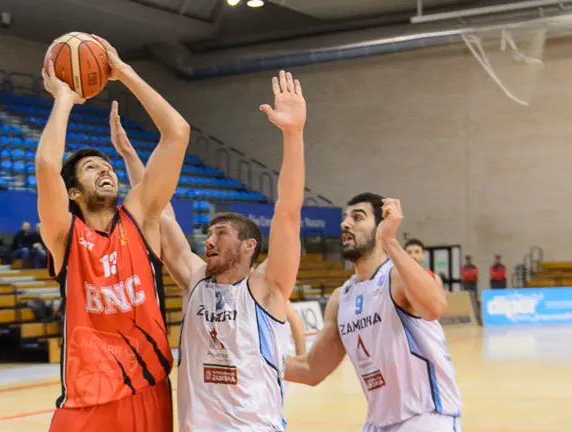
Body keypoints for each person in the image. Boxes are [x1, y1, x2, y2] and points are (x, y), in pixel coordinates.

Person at [116, 70, 306, 429]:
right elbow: (156, 211)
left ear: (249, 246)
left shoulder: (266, 287)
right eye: (209, 233)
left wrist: (293, 134)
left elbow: (288, 212)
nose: (209, 240)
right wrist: (128, 155)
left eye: (221, 233)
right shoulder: (196, 278)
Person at [37, 35, 190, 432]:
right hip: (85, 401)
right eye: (91, 168)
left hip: (148, 389)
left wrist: (125, 72)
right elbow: (46, 166)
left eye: (107, 166)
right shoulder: (64, 235)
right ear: (73, 192)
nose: (105, 170)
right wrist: (64, 98)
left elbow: (177, 133)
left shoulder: (140, 220)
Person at [285, 193, 462, 432]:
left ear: (381, 227)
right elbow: (311, 369)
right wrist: (252, 359)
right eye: (345, 218)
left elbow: (435, 308)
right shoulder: (341, 298)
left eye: (358, 217)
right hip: (378, 423)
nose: (345, 224)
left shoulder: (396, 276)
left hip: (427, 417)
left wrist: (390, 241)